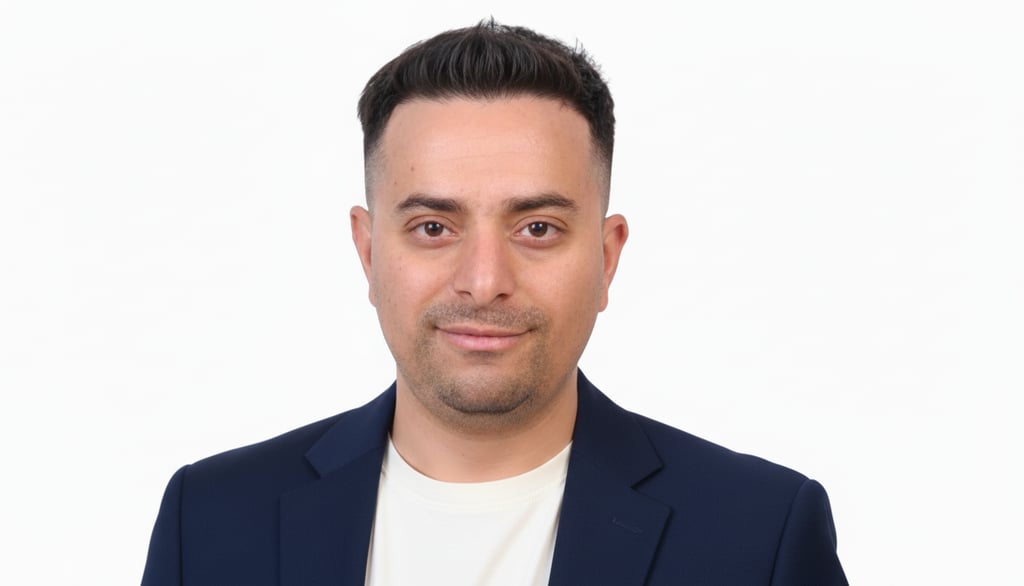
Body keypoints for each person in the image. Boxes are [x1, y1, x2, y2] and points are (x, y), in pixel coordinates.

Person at [142, 20, 848, 586]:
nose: (483, 282)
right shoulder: (208, 520)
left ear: (606, 258)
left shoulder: (759, 536)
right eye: (433, 228)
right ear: (368, 252)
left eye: (537, 228)